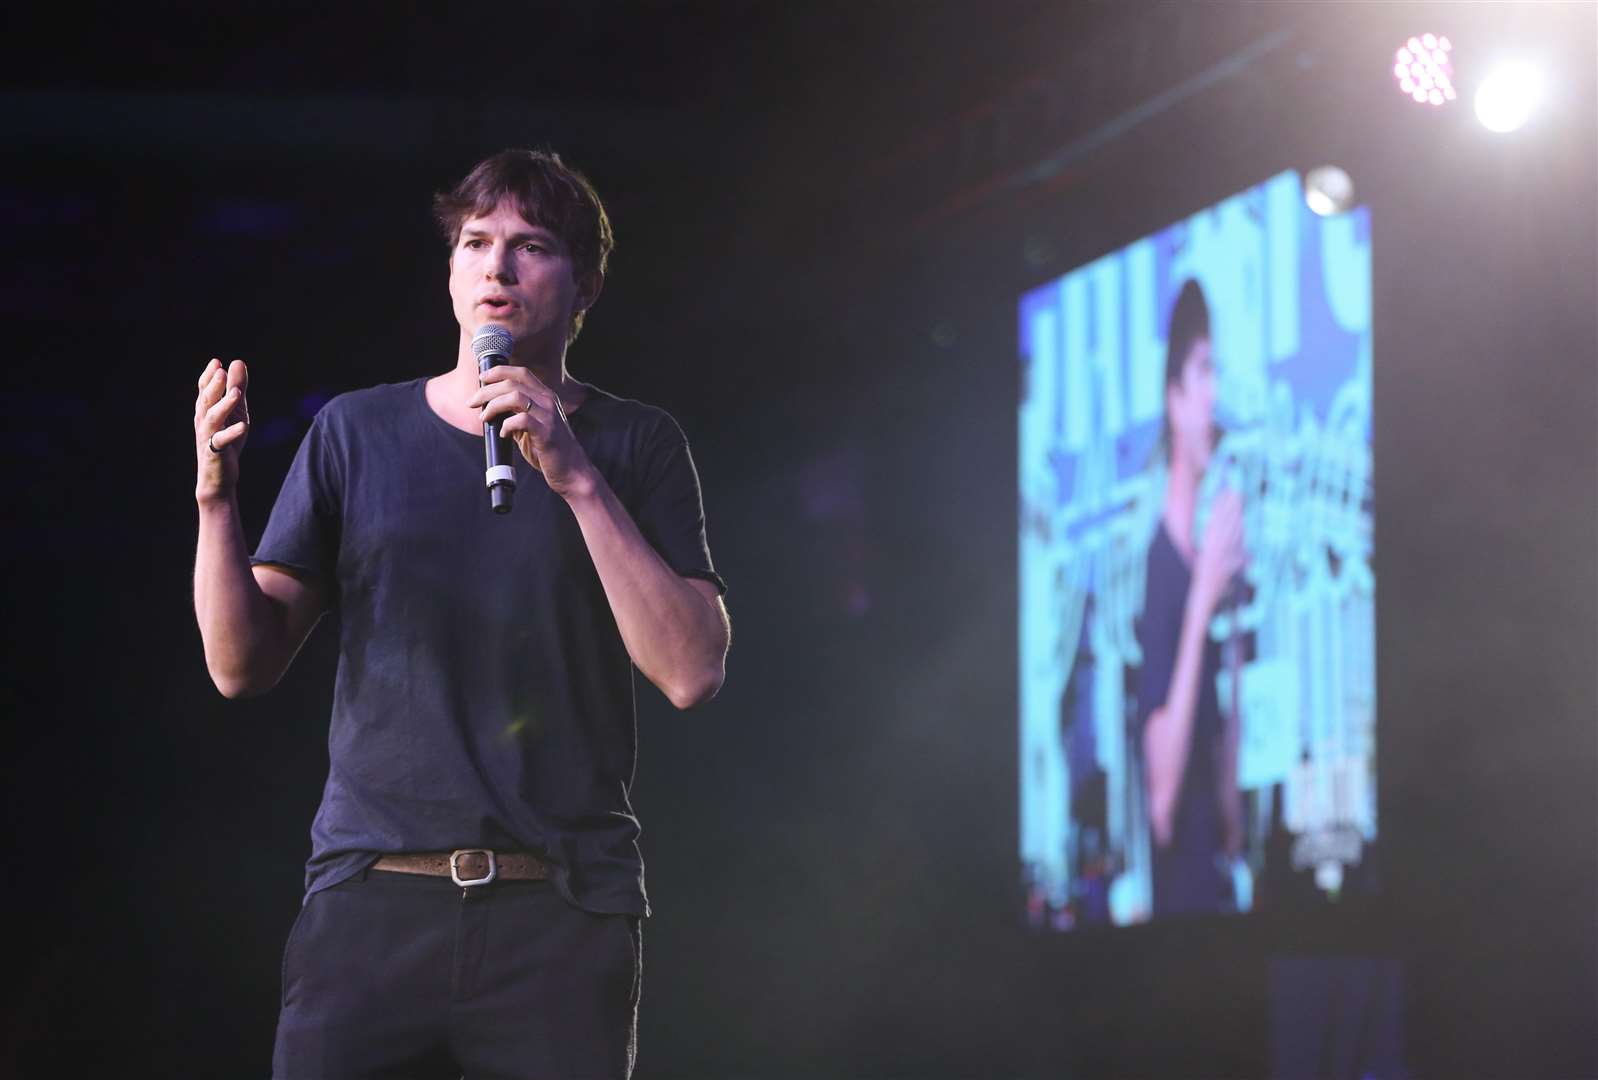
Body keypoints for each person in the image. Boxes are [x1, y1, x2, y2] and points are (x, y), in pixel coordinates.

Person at [192, 148, 730, 1078]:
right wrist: (214, 503)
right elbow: (241, 666)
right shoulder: (356, 433)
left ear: (585, 285)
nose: (498, 267)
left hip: (560, 916)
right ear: (449, 275)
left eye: (531, 246)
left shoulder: (636, 443)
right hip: (372, 907)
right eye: (476, 243)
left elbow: (691, 670)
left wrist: (573, 477)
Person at [1137, 278, 1245, 918]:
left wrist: (1226, 621)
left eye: (1217, 373)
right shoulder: (1162, 571)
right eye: (1203, 373)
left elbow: (1229, 811)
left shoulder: (1199, 569)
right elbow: (1162, 799)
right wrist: (1201, 600)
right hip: (1179, 922)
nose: (1215, 396)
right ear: (1174, 397)